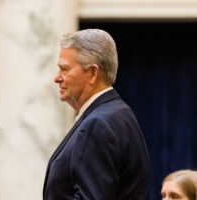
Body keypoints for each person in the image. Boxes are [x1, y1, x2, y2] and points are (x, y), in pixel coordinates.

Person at [43, 29, 150, 199]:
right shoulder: (118, 113)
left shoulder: (98, 124)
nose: (57, 78)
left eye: (65, 69)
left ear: (93, 73)